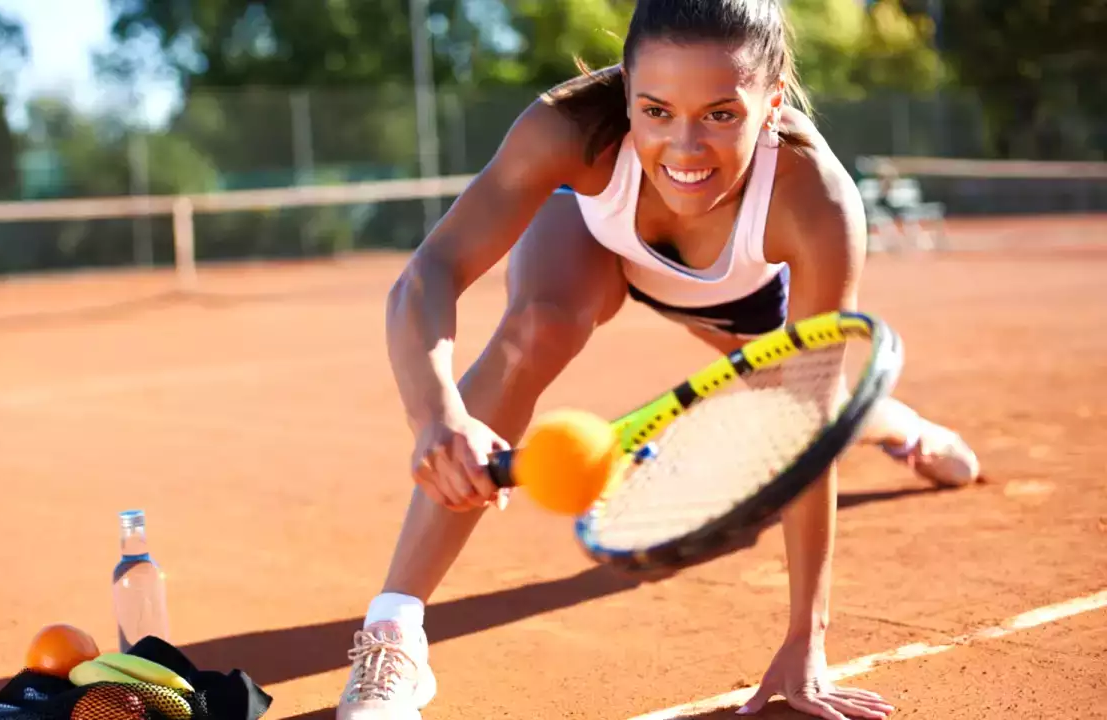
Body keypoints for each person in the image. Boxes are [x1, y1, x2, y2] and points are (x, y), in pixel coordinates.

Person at [337, 1, 980, 718]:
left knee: (799, 404)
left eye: (721, 114)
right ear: (626, 94)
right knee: (534, 332)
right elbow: (430, 271)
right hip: (592, 243)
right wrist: (436, 414)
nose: (685, 147)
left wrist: (809, 635)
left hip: (732, 299)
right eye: (656, 111)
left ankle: (900, 428)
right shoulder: (569, 128)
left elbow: (806, 417)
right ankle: (394, 632)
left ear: (772, 102)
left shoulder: (815, 201)